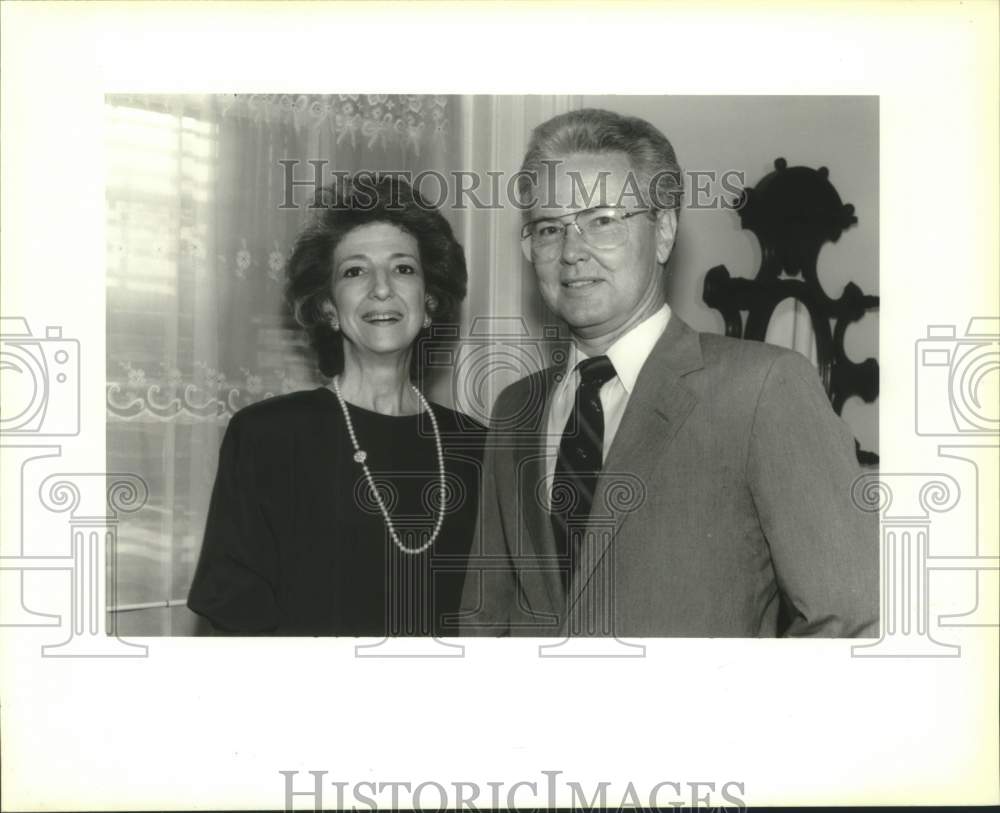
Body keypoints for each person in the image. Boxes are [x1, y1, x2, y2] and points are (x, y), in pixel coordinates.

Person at [459, 109, 878, 637]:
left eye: (603, 221)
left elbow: (853, 618)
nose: (571, 251)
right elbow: (485, 619)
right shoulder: (515, 407)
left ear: (663, 233)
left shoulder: (763, 389)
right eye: (548, 228)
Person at [188, 175, 485, 636]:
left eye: (403, 268)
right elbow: (234, 613)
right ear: (328, 306)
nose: (381, 288)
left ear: (429, 302)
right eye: (355, 271)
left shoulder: (479, 446)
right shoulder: (266, 436)